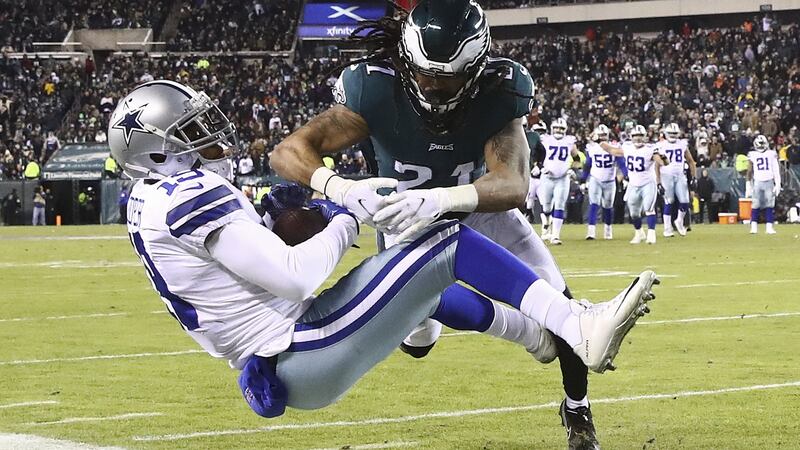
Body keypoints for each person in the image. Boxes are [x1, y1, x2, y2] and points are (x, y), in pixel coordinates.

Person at [109, 80, 658, 437]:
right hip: (304, 346)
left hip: (280, 355)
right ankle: (573, 325)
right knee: (438, 241)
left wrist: (297, 216)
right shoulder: (188, 195)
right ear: (153, 148)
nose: (210, 138)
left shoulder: (149, 197)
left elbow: (243, 270)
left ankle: (536, 335)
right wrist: (350, 211)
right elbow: (296, 278)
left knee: (423, 283)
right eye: (189, 131)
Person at [270, 2, 636, 447]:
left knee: (563, 306)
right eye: (425, 73)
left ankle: (576, 408)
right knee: (418, 339)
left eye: (449, 77)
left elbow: (513, 184)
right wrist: (341, 188)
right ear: (406, 61)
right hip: (408, 226)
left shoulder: (500, 91)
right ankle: (522, 329)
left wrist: (442, 198)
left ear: (477, 68)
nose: (433, 87)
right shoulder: (375, 88)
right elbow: (288, 151)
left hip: (480, 209)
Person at [600, 125, 664, 244]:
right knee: (634, 212)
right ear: (631, 137)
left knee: (649, 208)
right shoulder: (628, 147)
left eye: (640, 136)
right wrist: (601, 143)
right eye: (635, 136)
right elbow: (613, 151)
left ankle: (651, 233)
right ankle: (639, 233)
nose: (638, 138)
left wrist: (663, 156)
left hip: (648, 183)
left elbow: (663, 162)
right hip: (633, 184)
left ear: (645, 136)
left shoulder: (650, 148)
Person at [537, 117, 580, 244]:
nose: (558, 130)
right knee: (546, 206)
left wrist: (571, 168)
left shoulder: (569, 141)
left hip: (562, 178)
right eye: (556, 128)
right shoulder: (545, 139)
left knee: (560, 205)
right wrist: (540, 167)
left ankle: (555, 235)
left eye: (561, 128)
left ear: (565, 130)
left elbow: (577, 159)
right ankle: (546, 228)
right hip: (547, 177)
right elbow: (536, 155)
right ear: (552, 128)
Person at [582, 124, 625, 240]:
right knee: (594, 204)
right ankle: (591, 232)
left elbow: (621, 162)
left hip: (610, 181)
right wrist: (583, 179)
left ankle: (608, 230)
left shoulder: (613, 147)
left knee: (608, 207)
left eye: (604, 135)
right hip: (595, 178)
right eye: (600, 135)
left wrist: (626, 176)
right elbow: (588, 165)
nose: (603, 137)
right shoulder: (592, 147)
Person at [656, 123, 696, 237]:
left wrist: (693, 177)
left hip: (680, 175)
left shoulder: (682, 144)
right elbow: (657, 166)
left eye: (675, 133)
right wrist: (658, 181)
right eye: (671, 133)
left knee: (685, 200)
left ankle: (679, 220)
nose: (673, 135)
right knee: (669, 201)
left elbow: (690, 161)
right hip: (666, 175)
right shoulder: (660, 145)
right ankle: (667, 228)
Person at [747, 135, 781, 234]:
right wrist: (748, 184)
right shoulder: (766, 154)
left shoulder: (770, 154)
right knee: (758, 204)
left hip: (765, 181)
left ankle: (767, 227)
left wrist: (777, 183)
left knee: (768, 205)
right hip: (759, 181)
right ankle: (755, 226)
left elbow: (775, 169)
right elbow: (749, 171)